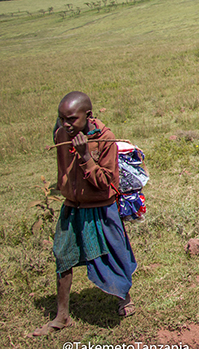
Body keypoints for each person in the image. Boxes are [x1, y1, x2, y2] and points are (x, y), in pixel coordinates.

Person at [31, 91, 137, 336]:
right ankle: (62, 315)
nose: (66, 125)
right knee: (63, 256)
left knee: (113, 254)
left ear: (87, 116)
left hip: (100, 208)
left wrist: (86, 157)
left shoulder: (104, 139)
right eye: (61, 119)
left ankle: (124, 297)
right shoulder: (61, 135)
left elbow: (108, 182)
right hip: (72, 206)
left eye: (71, 119)